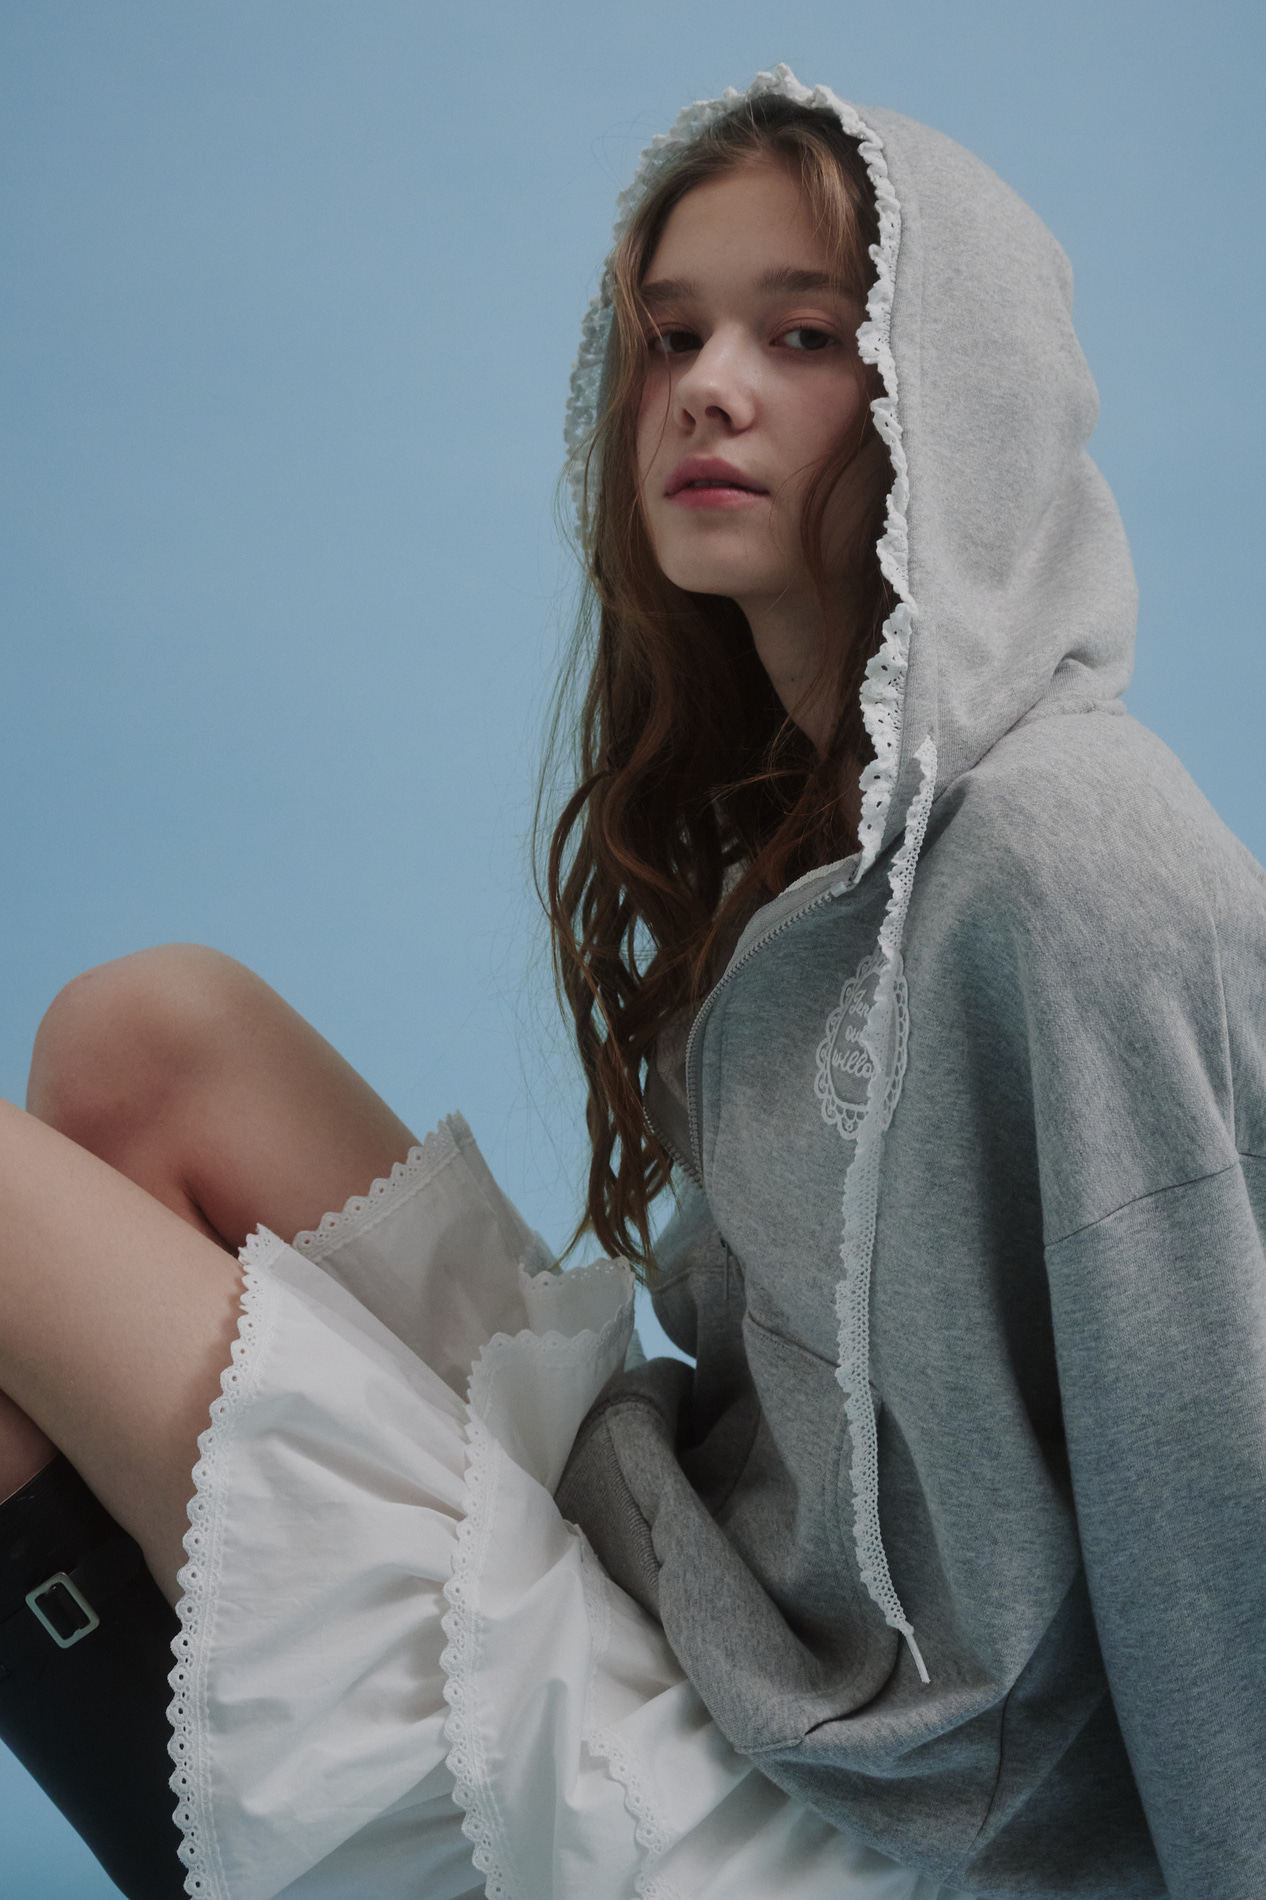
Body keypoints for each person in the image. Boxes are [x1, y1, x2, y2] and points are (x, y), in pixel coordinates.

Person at [0, 60, 1261, 1900]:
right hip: (724, 1602)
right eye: (672, 335)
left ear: (954, 395)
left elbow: (1213, 1476)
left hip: (885, 1824)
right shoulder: (811, 828)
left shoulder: (1072, 859)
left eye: (804, 334)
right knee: (147, 1035)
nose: (707, 387)